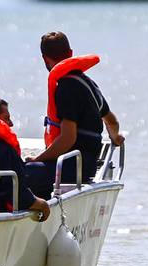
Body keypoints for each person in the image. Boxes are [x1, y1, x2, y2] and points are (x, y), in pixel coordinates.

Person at [29, 31, 122, 185]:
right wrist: (115, 137)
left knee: (24, 172)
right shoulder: (89, 84)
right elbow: (112, 122)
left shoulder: (65, 88)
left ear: (45, 59)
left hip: (72, 168)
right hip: (88, 166)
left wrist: (38, 159)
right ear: (71, 53)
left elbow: (68, 138)